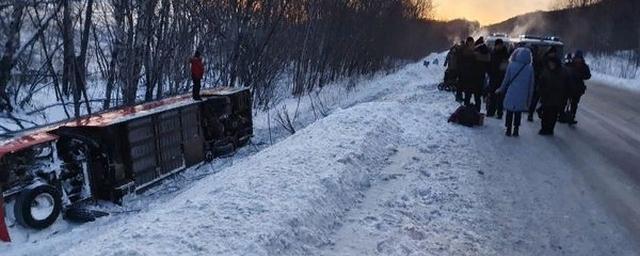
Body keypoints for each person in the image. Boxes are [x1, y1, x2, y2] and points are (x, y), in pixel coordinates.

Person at [496, 47, 535, 137]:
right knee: (518, 112)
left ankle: (508, 129)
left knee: (509, 111)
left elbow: (506, 80)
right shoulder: (530, 68)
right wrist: (529, 99)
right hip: (522, 94)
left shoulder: (511, 65)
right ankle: (516, 129)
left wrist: (501, 89)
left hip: (511, 92)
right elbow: (531, 85)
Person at [538, 56, 569, 135]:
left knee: (553, 115)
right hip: (546, 96)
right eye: (550, 63)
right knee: (545, 114)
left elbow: (565, 85)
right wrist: (541, 91)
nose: (551, 65)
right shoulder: (546, 71)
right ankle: (544, 128)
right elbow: (541, 82)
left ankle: (550, 129)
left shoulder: (561, 72)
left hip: (556, 97)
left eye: (553, 64)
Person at [564, 50, 591, 125]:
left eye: (579, 58)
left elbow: (588, 75)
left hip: (577, 88)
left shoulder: (584, 66)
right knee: (565, 101)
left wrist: (581, 75)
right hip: (569, 86)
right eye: (577, 58)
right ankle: (563, 115)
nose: (578, 60)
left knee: (574, 103)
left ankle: (572, 116)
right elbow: (564, 70)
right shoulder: (571, 64)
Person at [486, 39, 510, 119]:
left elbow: (505, 67)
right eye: (498, 45)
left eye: (501, 45)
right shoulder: (492, 53)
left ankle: (500, 113)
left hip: (501, 78)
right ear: (495, 45)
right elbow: (489, 64)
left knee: (500, 97)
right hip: (493, 77)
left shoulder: (505, 54)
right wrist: (489, 72)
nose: (499, 46)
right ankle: (491, 111)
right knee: (492, 95)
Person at [457, 37, 476, 103]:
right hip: (464, 72)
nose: (471, 43)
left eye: (472, 42)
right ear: (467, 42)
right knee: (463, 87)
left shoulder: (472, 49)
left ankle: (466, 101)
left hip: (469, 73)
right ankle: (462, 99)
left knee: (468, 90)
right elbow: (459, 60)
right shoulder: (464, 49)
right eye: (470, 42)